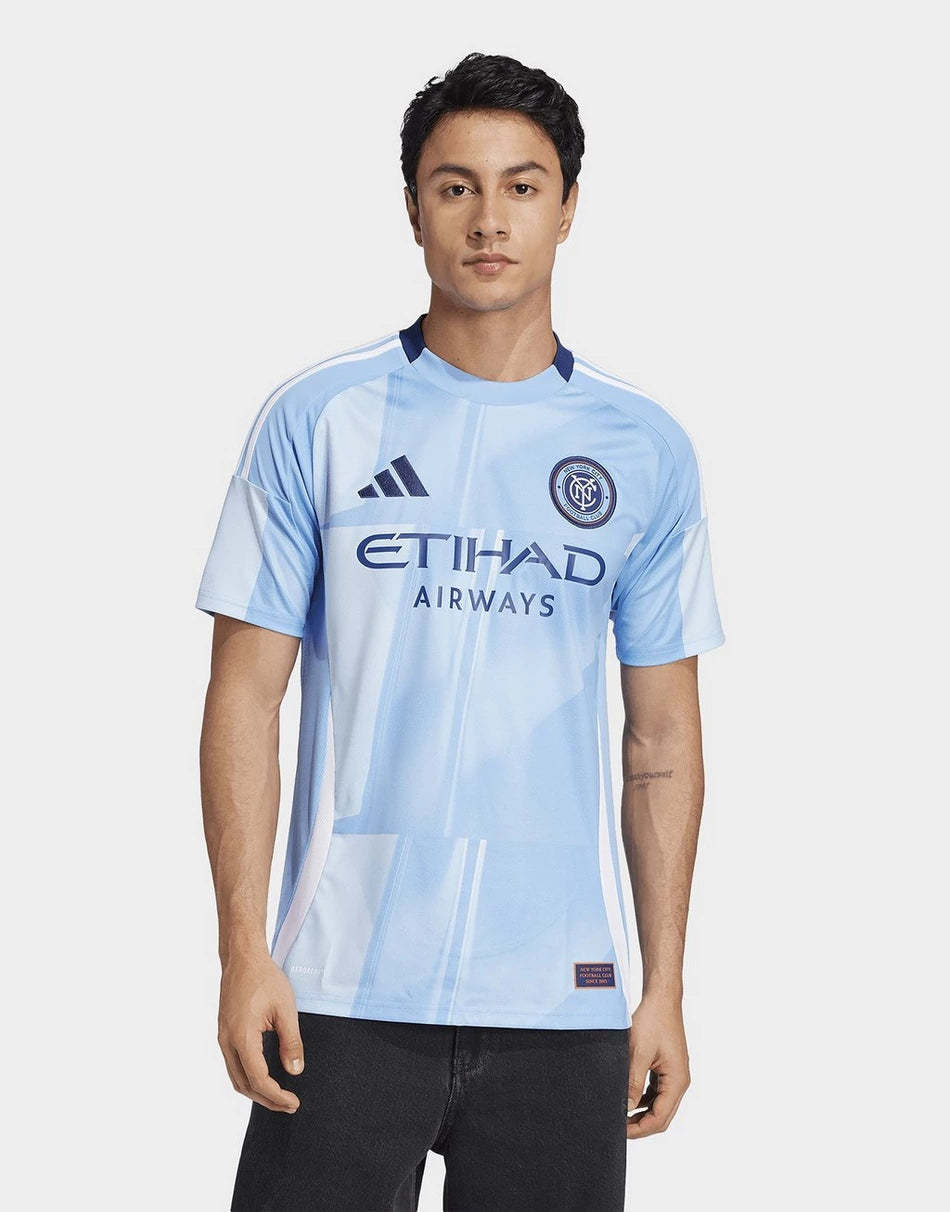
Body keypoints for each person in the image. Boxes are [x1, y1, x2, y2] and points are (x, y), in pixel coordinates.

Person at [196, 51, 725, 1212]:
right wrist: (243, 953)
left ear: (566, 207)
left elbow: (661, 743)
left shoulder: (643, 449)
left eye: (521, 187)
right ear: (412, 208)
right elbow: (243, 699)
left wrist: (663, 986)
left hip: (563, 1000)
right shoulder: (318, 419)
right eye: (455, 187)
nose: (489, 219)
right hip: (339, 985)